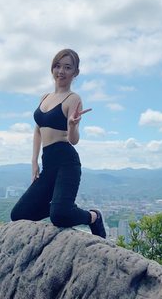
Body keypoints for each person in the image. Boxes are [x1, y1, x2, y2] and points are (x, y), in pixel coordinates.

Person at [10, 49, 106, 238]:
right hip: (48, 164)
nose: (61, 71)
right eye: (57, 66)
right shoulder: (44, 98)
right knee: (19, 214)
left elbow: (73, 140)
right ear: (52, 68)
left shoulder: (73, 99)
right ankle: (61, 205)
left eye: (67, 67)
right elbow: (38, 129)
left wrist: (72, 125)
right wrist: (34, 161)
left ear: (75, 72)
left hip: (66, 162)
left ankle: (94, 217)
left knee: (59, 216)